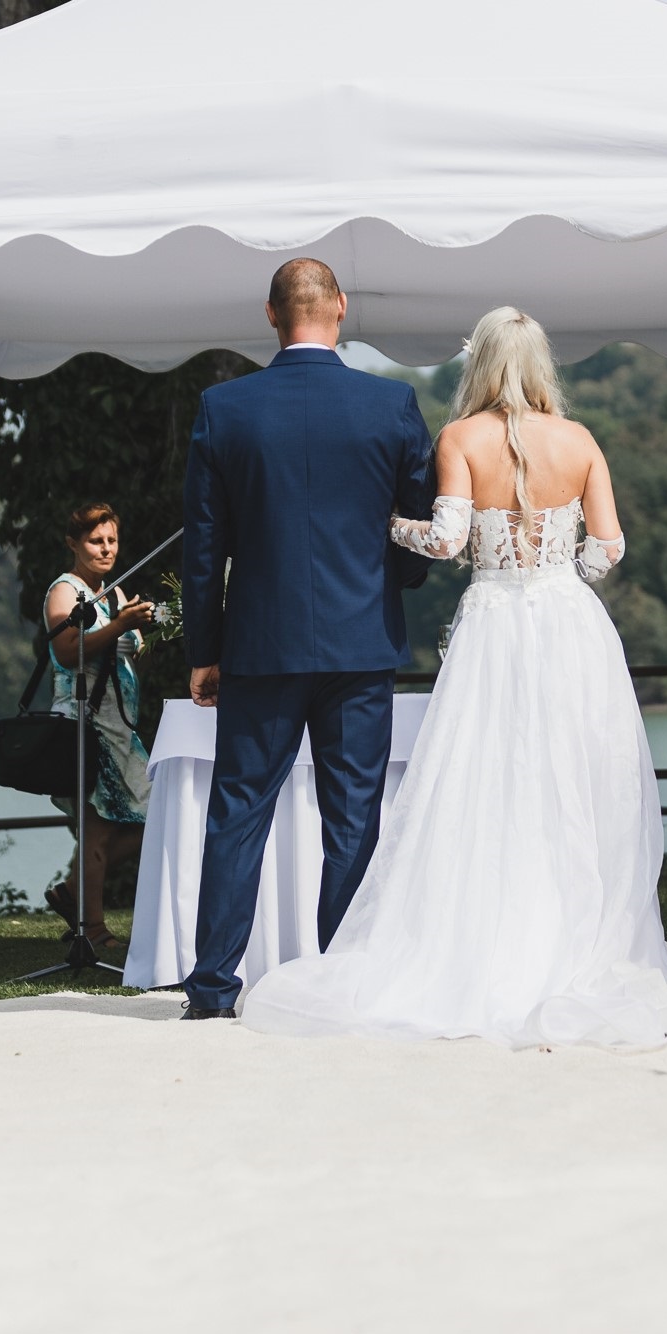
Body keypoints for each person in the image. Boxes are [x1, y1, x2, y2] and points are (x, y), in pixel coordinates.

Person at [242, 307, 667, 1047]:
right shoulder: (578, 440)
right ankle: (572, 934)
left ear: (478, 362)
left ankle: (486, 937)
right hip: (570, 626)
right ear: (541, 363)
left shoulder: (460, 437)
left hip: (493, 623)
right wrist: (559, 578)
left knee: (483, 779)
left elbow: (446, 540)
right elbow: (609, 548)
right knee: (571, 780)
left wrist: (387, 522)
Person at [179, 257, 435, 1018]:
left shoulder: (224, 407)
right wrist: (387, 584)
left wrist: (203, 650)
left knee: (237, 813)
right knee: (353, 819)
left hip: (259, 644)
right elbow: (419, 524)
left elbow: (204, 546)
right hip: (362, 641)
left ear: (270, 314)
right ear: (341, 307)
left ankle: (213, 988)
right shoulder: (390, 404)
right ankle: (343, 985)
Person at [43, 502, 155, 949]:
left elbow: (129, 651)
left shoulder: (114, 593)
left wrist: (144, 631)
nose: (106, 549)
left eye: (112, 540)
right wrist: (121, 624)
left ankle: (74, 889)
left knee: (154, 813)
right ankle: (92, 928)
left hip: (118, 726)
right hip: (83, 724)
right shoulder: (64, 591)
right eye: (95, 541)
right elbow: (66, 650)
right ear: (74, 544)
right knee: (99, 827)